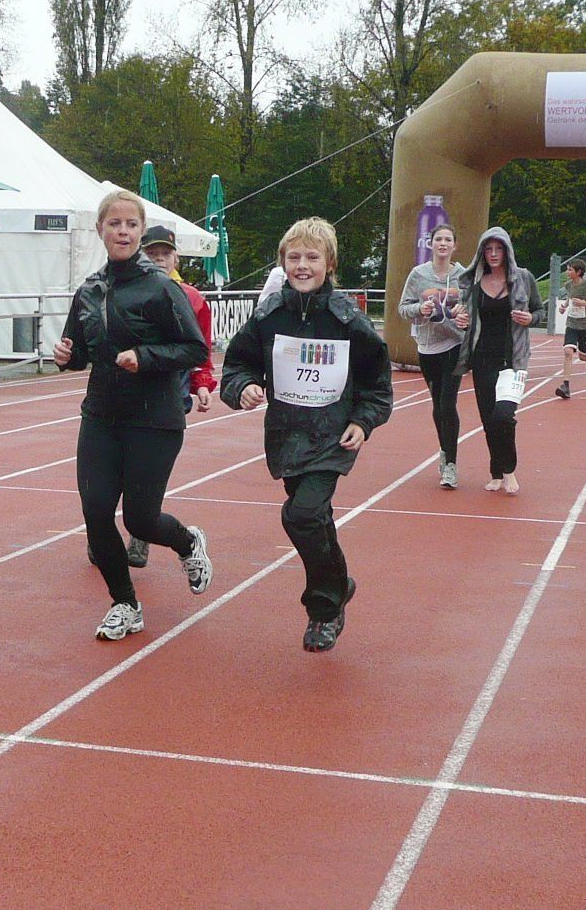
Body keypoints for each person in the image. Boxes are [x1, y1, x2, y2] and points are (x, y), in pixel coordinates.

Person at [220, 217, 392, 652]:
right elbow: (236, 365)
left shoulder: (348, 320)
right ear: (283, 262)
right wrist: (244, 387)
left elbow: (377, 385)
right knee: (314, 518)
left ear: (329, 264)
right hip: (286, 436)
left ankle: (324, 609)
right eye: (293, 257)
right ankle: (338, 583)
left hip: (333, 437)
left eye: (312, 257)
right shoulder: (268, 315)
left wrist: (362, 422)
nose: (302, 265)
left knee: (301, 515)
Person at [53, 190, 213, 642]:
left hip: (153, 418)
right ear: (100, 230)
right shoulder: (89, 290)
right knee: (95, 512)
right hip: (101, 415)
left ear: (140, 232)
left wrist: (144, 357)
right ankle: (125, 604)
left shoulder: (161, 287)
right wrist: (66, 357)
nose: (122, 232)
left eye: (131, 224)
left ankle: (187, 541)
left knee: (140, 521)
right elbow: (79, 351)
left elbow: (194, 348)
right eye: (114, 223)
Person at [111, 223, 217, 569]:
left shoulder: (192, 298)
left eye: (165, 254)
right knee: (112, 466)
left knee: (145, 468)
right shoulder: (123, 291)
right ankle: (104, 534)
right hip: (123, 393)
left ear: (176, 258)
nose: (158, 259)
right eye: (152, 253)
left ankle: (140, 533)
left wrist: (202, 383)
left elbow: (201, 347)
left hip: (168, 397)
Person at [453, 227, 540, 495]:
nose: (493, 254)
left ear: (507, 251)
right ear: (482, 252)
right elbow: (465, 317)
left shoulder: (523, 278)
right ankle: (496, 472)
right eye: (488, 249)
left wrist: (531, 319)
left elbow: (539, 310)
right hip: (482, 359)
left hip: (512, 359)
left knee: (504, 415)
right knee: (489, 419)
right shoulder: (474, 284)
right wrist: (461, 320)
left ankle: (509, 470)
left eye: (498, 248)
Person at [398, 222, 466, 488]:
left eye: (448, 240)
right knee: (438, 405)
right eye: (439, 239)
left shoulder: (463, 275)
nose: (443, 244)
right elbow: (403, 308)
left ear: (454, 246)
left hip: (455, 345)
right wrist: (420, 308)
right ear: (431, 244)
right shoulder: (418, 275)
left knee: (448, 403)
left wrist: (464, 315)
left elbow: (472, 308)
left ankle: (451, 465)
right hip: (428, 347)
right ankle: (444, 451)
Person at [554, 258, 586, 398]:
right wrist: (564, 307)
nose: (567, 272)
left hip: (585, 325)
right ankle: (565, 386)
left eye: (570, 270)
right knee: (568, 352)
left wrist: (584, 303)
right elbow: (570, 298)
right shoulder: (568, 285)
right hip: (572, 323)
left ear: (579, 272)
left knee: (582, 356)